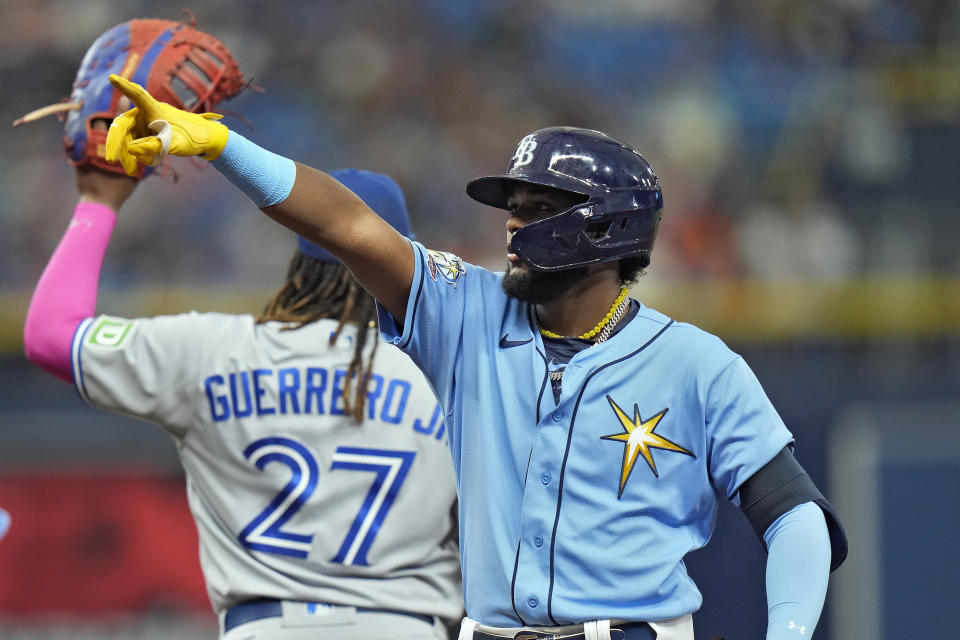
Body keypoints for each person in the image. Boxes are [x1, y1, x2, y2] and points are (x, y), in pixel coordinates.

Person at [103, 76, 848, 640]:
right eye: (512, 206)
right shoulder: (466, 312)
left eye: (536, 208)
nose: (513, 225)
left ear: (605, 232)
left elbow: (793, 516)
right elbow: (350, 229)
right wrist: (220, 147)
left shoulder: (696, 364)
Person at [21, 22, 461, 640]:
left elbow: (49, 335)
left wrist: (100, 199)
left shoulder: (214, 351)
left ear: (301, 252)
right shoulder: (452, 371)